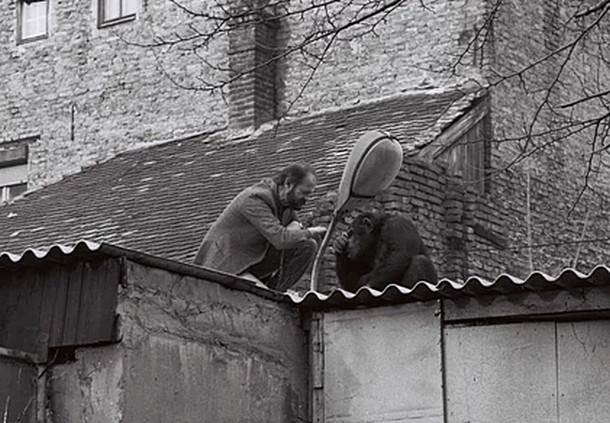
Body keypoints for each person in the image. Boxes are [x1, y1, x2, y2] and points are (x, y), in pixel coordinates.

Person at [194, 163, 327, 291]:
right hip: (226, 265)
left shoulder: (286, 205)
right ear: (288, 184)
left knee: (307, 246)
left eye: (310, 194)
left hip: (251, 262)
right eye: (304, 192)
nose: (306, 199)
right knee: (304, 239)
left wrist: (298, 226)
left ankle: (276, 293)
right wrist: (310, 231)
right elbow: (281, 239)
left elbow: (294, 235)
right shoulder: (255, 199)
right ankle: (270, 297)